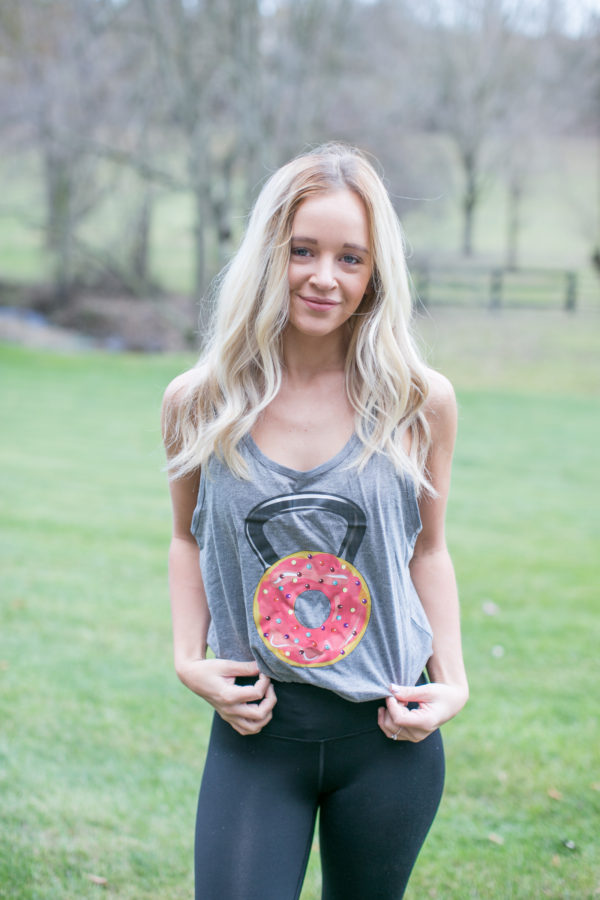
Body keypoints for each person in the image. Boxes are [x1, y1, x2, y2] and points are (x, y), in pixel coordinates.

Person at [161, 143, 468, 900]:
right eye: (304, 250)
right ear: (272, 253)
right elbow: (186, 536)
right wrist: (186, 657)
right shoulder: (200, 402)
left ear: (375, 275)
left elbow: (428, 550)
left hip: (389, 736)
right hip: (258, 735)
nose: (324, 277)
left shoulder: (417, 403)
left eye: (351, 258)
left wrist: (453, 680)